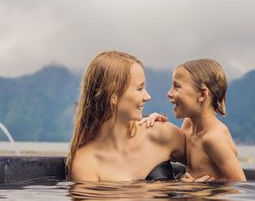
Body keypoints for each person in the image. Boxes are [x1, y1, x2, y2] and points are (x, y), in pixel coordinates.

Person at [66, 50, 210, 183]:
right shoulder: (86, 163)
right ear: (113, 96)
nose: (147, 96)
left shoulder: (160, 133)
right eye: (140, 88)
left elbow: (213, 165)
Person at [167, 59, 246, 182]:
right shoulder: (189, 124)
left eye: (177, 86)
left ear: (202, 95)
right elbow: (175, 153)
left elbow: (240, 184)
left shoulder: (213, 138)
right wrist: (155, 122)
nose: (169, 93)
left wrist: (203, 189)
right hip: (192, 196)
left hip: (206, 199)